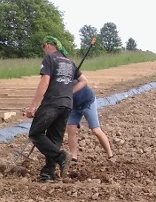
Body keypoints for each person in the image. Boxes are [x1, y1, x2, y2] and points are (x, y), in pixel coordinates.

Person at [23, 36, 81, 183]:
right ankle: (48, 174)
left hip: (52, 103)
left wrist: (33, 106)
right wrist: (68, 92)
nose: (44, 51)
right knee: (54, 138)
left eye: (44, 47)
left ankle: (61, 156)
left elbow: (45, 81)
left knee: (35, 133)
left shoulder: (50, 59)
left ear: (48, 45)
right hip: (67, 104)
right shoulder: (70, 62)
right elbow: (84, 80)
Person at [66, 80, 116, 164]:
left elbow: (84, 80)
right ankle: (74, 158)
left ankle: (111, 155)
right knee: (71, 129)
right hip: (74, 105)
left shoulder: (71, 69)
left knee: (96, 130)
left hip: (87, 102)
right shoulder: (54, 76)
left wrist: (70, 91)